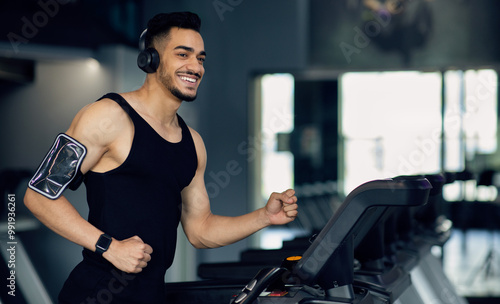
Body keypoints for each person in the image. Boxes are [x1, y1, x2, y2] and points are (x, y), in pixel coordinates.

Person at [23, 11, 298, 304]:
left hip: (152, 294)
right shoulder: (107, 117)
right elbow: (38, 195)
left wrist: (264, 217)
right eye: (183, 54)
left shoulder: (193, 143)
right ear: (150, 59)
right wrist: (109, 247)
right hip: (95, 292)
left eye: (201, 58)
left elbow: (200, 230)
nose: (195, 67)